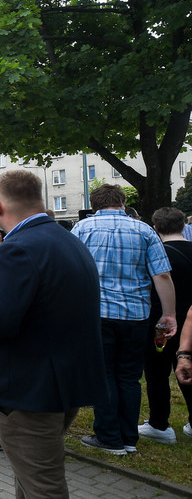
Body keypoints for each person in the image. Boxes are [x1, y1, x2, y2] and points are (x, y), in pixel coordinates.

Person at [0, 171, 105, 497]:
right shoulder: (69, 240)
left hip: (26, 392)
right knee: (29, 480)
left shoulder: (16, 249)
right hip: (61, 384)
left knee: (43, 487)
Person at [71, 184, 177, 455]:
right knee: (130, 377)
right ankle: (129, 437)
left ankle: (108, 437)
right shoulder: (145, 231)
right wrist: (168, 314)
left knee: (104, 375)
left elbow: (70, 273)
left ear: (94, 205)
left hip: (97, 315)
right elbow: (162, 276)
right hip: (135, 315)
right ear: (122, 201)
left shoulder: (81, 230)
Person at [141, 207, 192, 444]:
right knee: (188, 371)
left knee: (157, 374)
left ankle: (159, 424)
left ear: (156, 228)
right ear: (183, 226)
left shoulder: (158, 254)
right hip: (190, 323)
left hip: (161, 322)